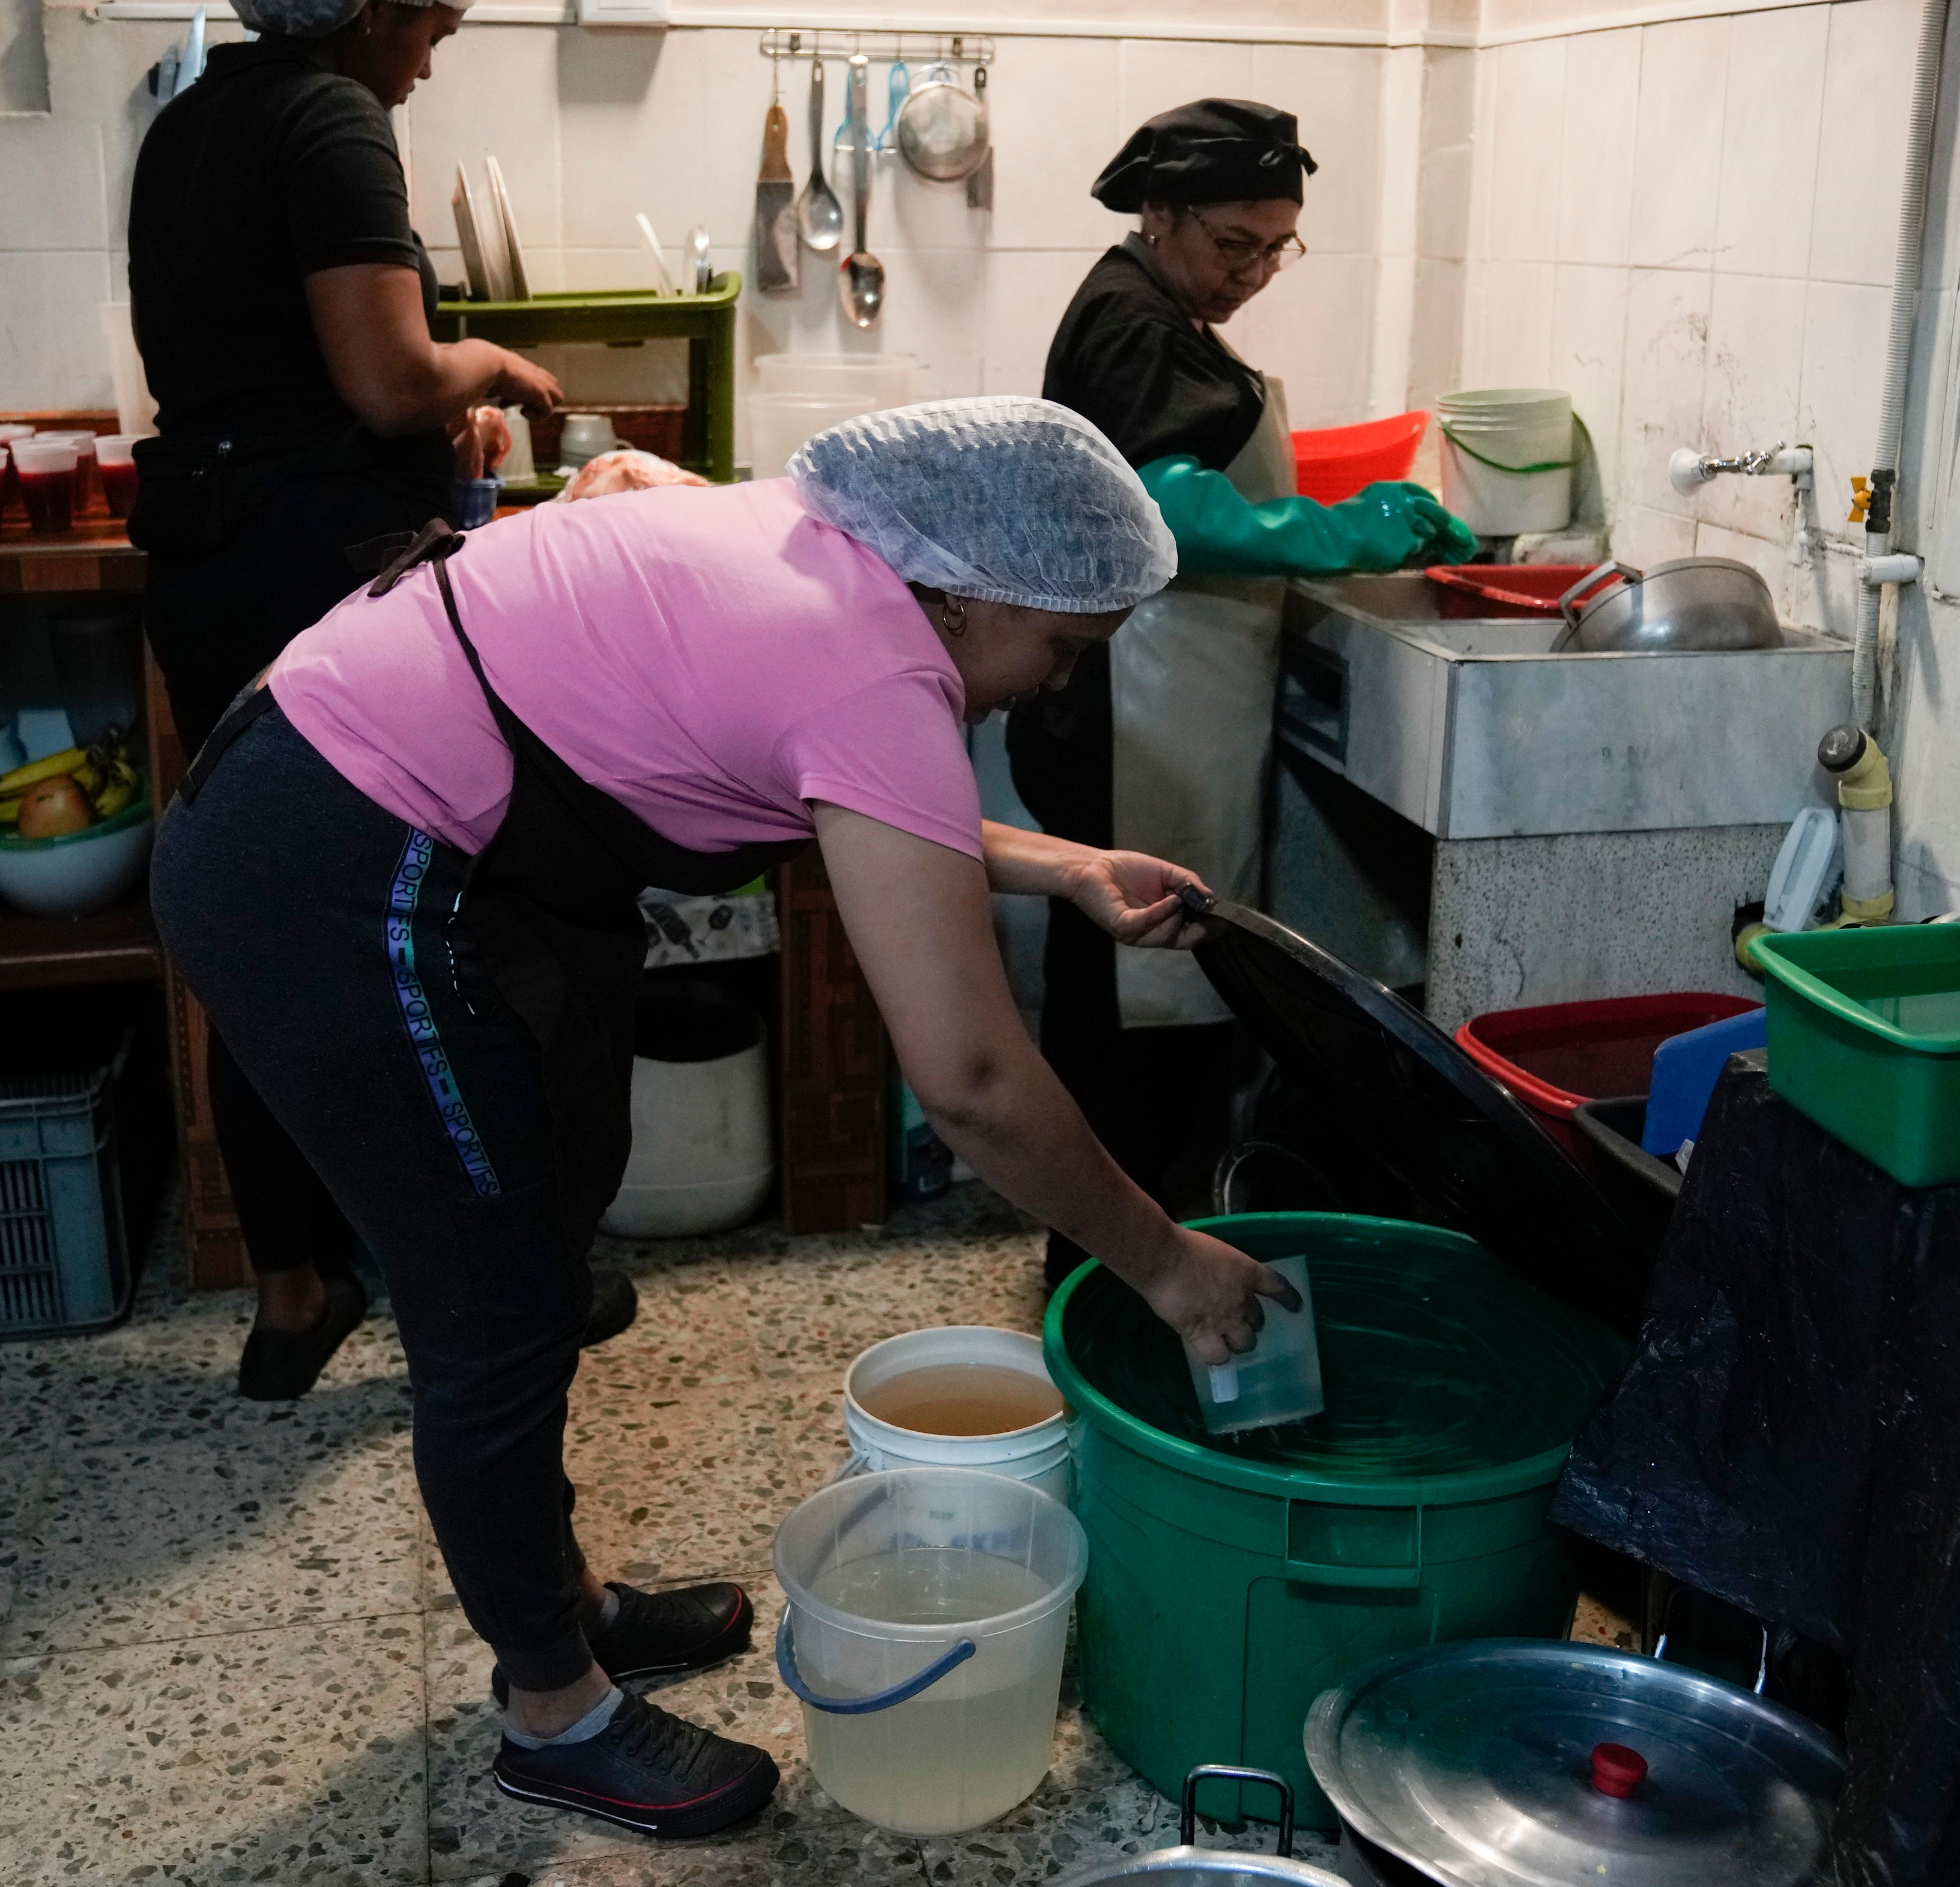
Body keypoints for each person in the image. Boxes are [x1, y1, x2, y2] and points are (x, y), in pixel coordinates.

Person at [153, 398, 1300, 1840]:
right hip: (326, 857)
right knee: (491, 1296)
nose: (1052, 688)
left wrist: (1064, 867)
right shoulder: (872, 664)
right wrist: (1169, 1263)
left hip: (423, 831)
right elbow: (974, 1083)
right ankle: (551, 1711)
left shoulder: (834, 552)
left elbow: (854, 796)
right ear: (964, 588)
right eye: (1061, 648)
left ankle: (557, 1599)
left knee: (548, 1219)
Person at [125, 0, 652, 1399]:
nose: (432, 60)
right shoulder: (336, 121)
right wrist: (488, 360)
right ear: (373, 9)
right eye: (433, 28)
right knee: (455, 911)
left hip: (216, 556)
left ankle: (294, 1286)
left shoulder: (191, 122)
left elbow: (277, 368)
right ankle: (512, 1274)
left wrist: (436, 421)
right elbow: (378, 375)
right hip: (324, 573)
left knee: (260, 910)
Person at [1012, 98, 1474, 1288]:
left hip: (1160, 709)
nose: (1255, 273)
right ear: (1159, 216)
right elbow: (1165, 507)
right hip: (1129, 715)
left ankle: (1118, 1265)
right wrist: (1334, 530)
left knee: (1145, 1015)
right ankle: (1113, 1277)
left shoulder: (1155, 305)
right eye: (1234, 245)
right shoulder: (1133, 318)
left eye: (1276, 248)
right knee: (1137, 1020)